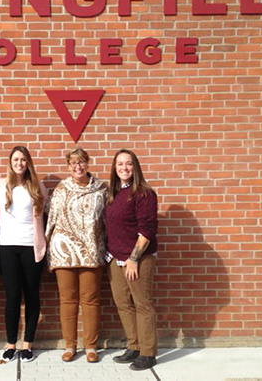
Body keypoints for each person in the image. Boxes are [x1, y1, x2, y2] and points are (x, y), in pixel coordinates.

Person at [45, 148, 108, 363]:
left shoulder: (101, 189)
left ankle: (91, 346)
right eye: (73, 163)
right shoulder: (61, 189)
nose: (77, 167)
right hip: (64, 252)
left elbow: (108, 220)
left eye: (81, 162)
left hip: (91, 250)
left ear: (88, 163)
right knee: (68, 300)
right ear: (68, 166)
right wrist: (45, 248)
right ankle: (70, 345)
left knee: (90, 300)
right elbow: (51, 218)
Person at [0, 146, 47, 363]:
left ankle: (28, 345)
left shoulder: (38, 186)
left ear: (28, 163)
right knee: (12, 297)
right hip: (6, 247)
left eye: (23, 159)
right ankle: (10, 344)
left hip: (30, 247)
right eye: (16, 159)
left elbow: (45, 215)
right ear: (10, 161)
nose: (19, 163)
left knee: (32, 295)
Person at [106, 149, 159, 371]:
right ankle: (134, 346)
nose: (124, 168)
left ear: (135, 167)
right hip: (115, 257)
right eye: (120, 164)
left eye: (128, 164)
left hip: (137, 258)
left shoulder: (144, 193)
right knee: (123, 304)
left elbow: (147, 229)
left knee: (142, 304)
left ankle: (148, 353)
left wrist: (134, 259)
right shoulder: (115, 193)